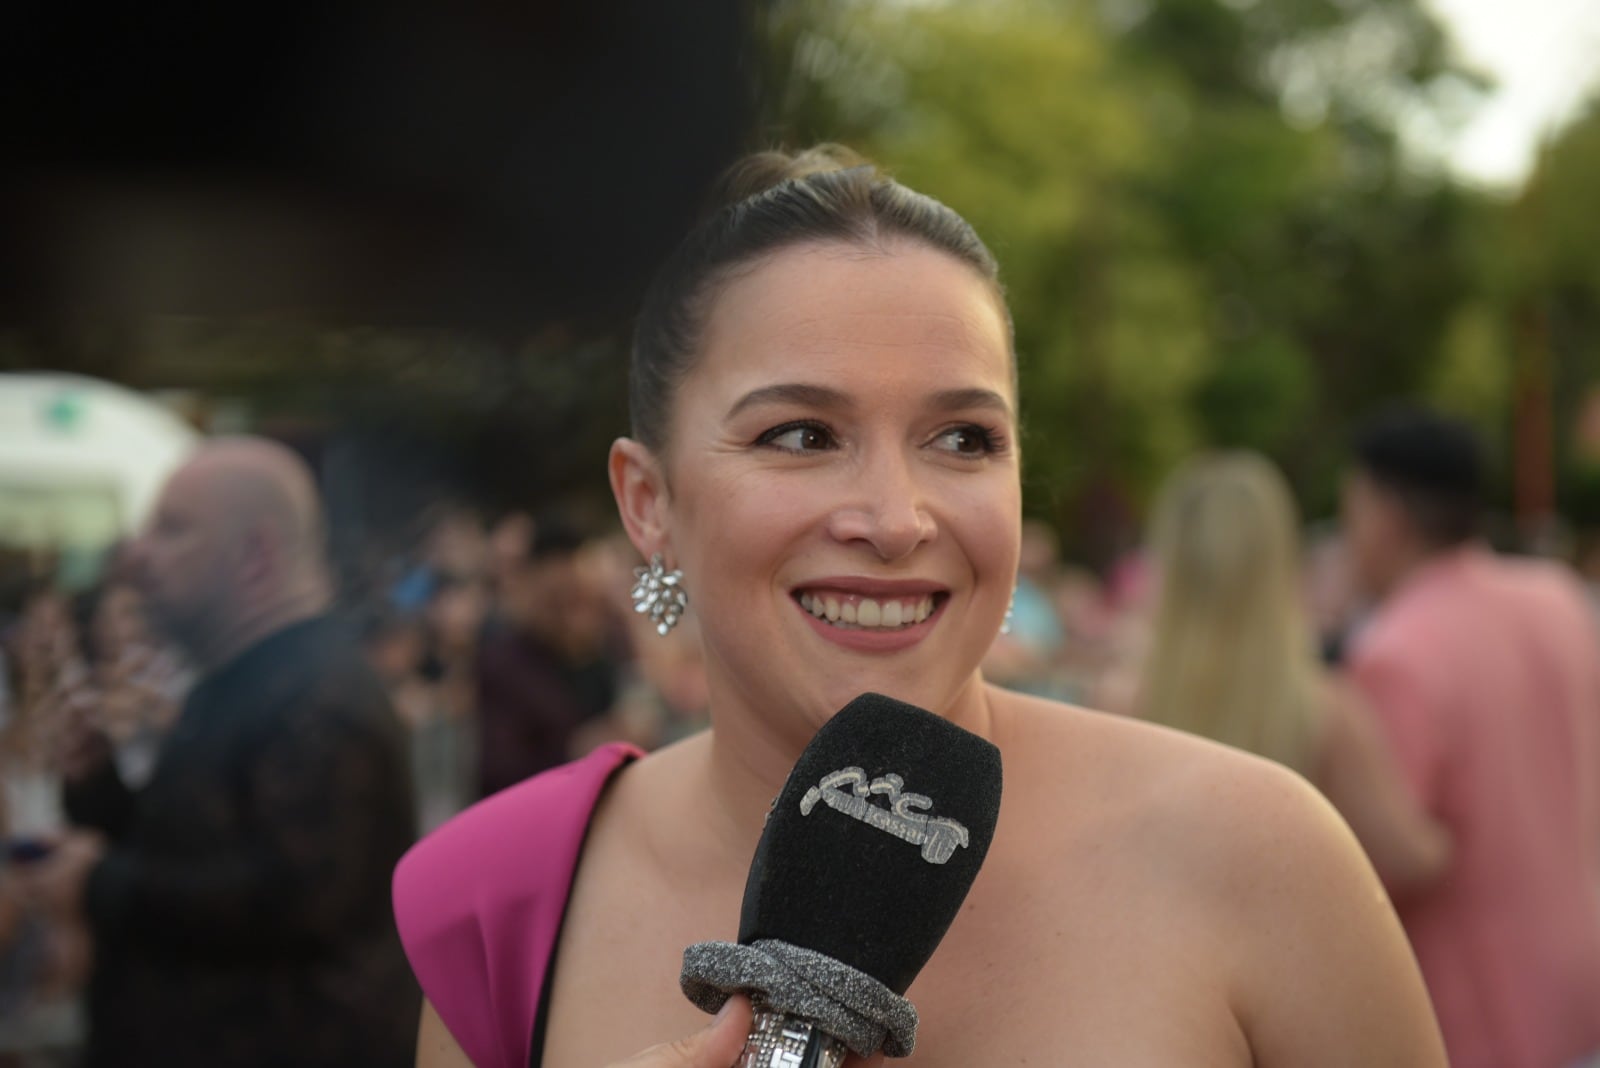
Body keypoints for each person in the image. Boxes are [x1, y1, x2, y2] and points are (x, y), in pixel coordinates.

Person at [394, 146, 1445, 1067]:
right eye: (801, 435)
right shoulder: (504, 906)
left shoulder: (1259, 857)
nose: (895, 520)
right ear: (648, 502)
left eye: (962, 439)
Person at [18, 437, 420, 1068]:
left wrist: (97, 883)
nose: (138, 554)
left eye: (172, 529)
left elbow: (290, 902)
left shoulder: (319, 694)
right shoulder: (241, 680)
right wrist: (98, 789)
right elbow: (190, 850)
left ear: (254, 555)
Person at [1341, 409, 1600, 1068]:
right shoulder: (1559, 599)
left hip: (1477, 1011)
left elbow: (1393, 858)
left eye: (1354, 511)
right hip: (1580, 988)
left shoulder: (1397, 650)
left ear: (1388, 515)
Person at [1127, 451, 1451, 886]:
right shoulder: (1325, 713)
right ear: (1279, 561)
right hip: (1282, 947)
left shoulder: (1121, 706)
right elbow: (1411, 858)